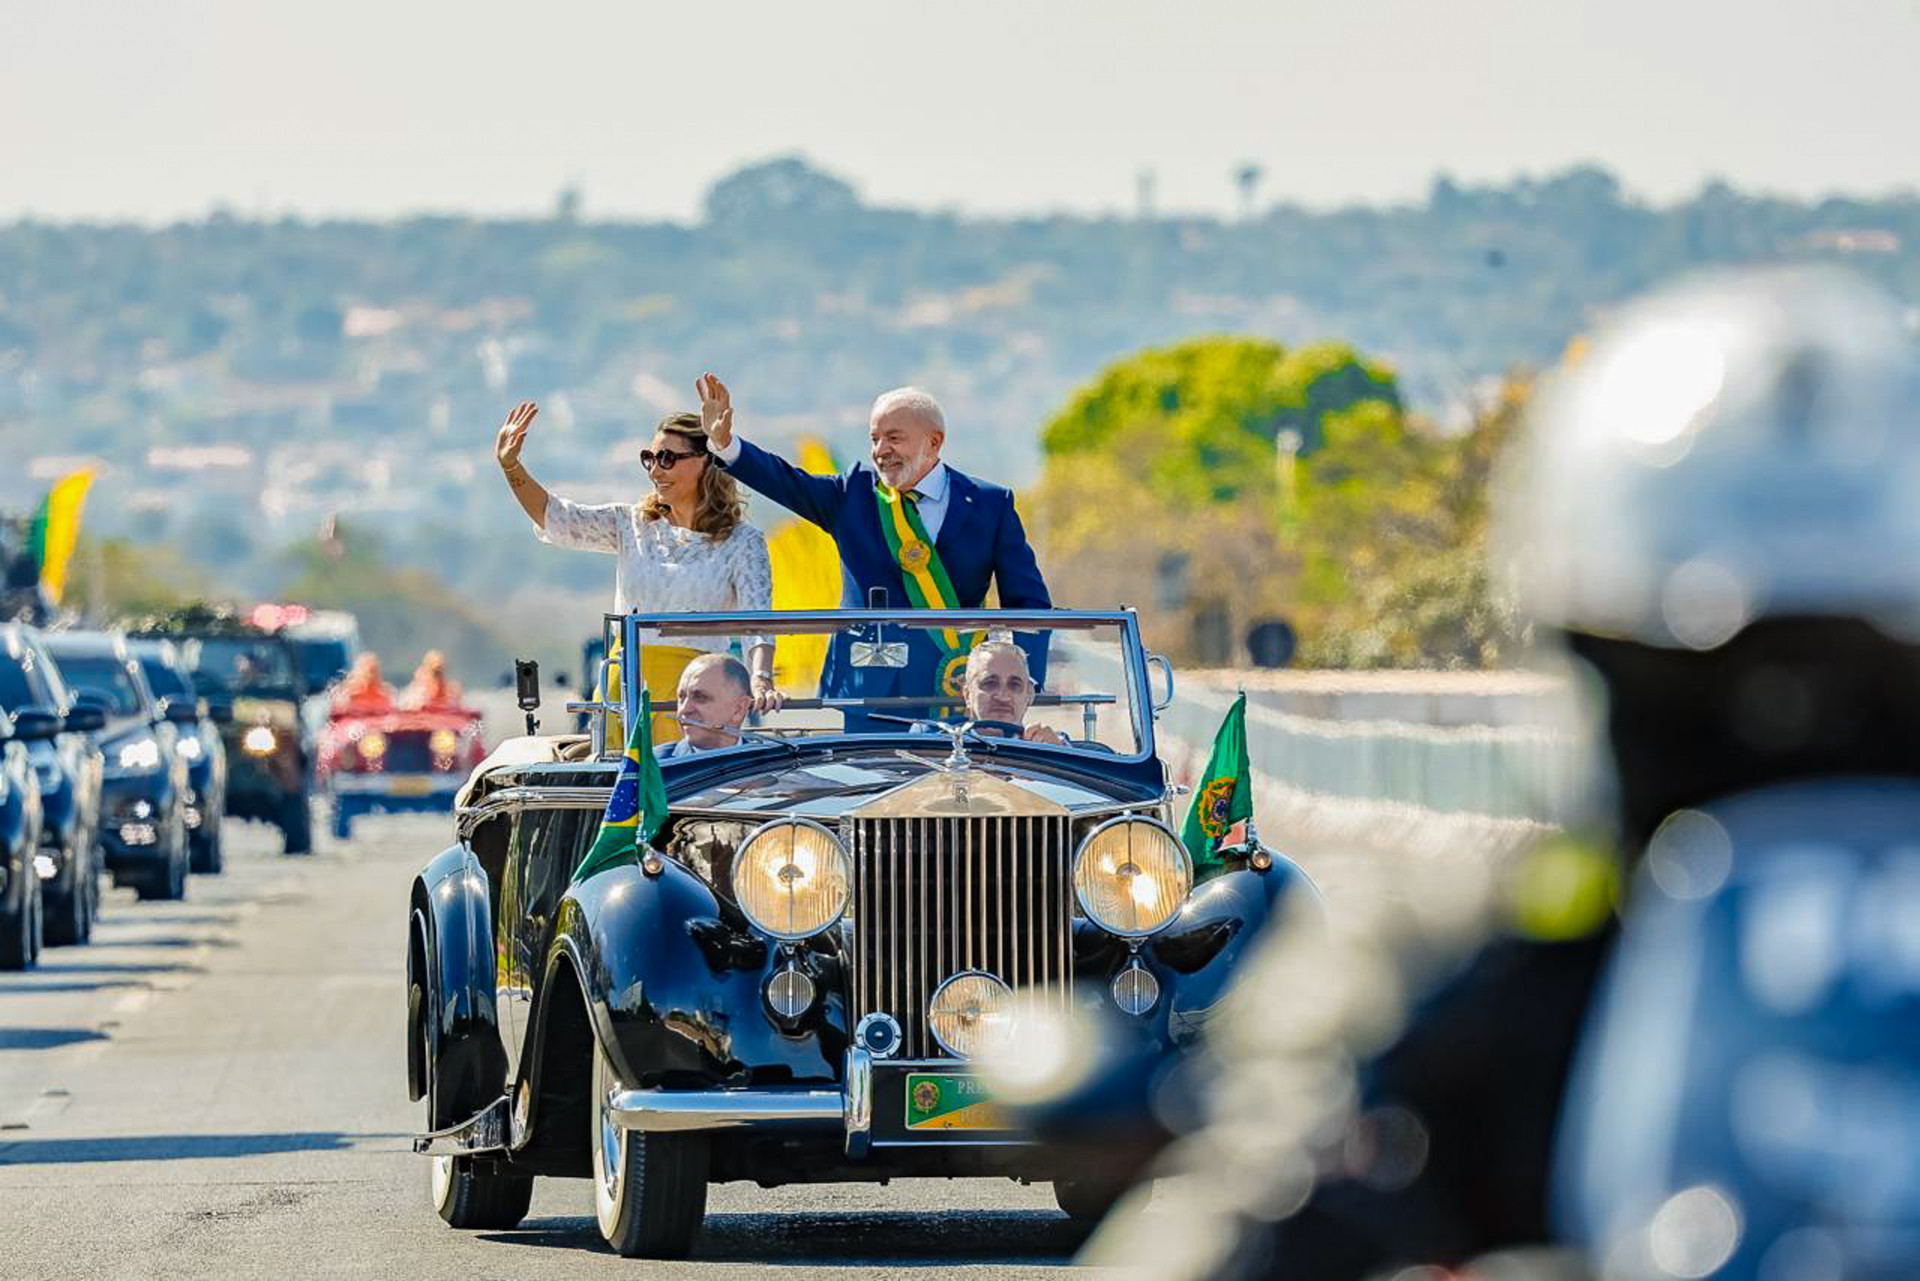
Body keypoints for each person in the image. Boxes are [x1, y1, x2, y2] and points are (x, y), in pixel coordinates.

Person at [1084, 266, 1920, 1280]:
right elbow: (1249, 1200)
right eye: (1715, 693)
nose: (1796, 729)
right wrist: (1292, 1146)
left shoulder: (1480, 945)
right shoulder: (1468, 961)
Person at [697, 375, 1050, 729]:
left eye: (894, 438)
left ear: (934, 441)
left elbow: (1029, 604)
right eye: (874, 439)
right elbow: (785, 480)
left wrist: (1024, 684)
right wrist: (726, 444)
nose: (881, 450)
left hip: (953, 688)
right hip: (869, 691)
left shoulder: (989, 503)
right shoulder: (854, 493)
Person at [496, 402, 782, 744]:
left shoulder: (743, 541)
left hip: (698, 695)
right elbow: (556, 517)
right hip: (625, 687)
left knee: (687, 790)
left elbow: (757, 622)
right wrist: (511, 466)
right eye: (650, 458)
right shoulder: (631, 523)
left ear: (706, 462)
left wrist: (761, 678)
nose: (655, 470)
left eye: (667, 459)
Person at [956, 640, 1066, 744]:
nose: (1003, 697)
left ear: (1029, 696)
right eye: (990, 684)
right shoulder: (944, 745)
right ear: (967, 694)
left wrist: (1059, 752)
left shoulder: (1048, 746)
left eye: (1014, 685)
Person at [656, 653, 752, 759]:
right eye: (681, 697)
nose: (684, 709)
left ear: (739, 709)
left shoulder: (768, 763)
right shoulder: (651, 766)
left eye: (700, 697)